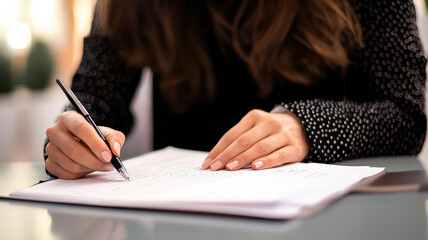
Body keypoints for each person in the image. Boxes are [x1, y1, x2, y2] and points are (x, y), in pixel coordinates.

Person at [44, 0, 427, 179]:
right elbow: (94, 102)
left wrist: (305, 126)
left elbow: (406, 114)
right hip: (175, 222)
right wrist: (70, 141)